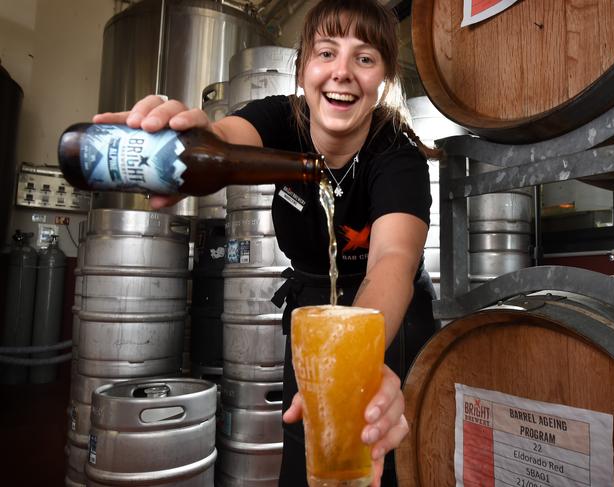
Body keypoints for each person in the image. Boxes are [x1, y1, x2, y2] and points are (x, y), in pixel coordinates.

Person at [93, 0, 441, 485]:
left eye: (364, 58)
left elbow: (393, 261)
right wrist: (190, 141)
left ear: (383, 78)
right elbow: (224, 140)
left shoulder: (396, 153)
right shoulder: (282, 118)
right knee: (307, 446)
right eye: (326, 53)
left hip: (387, 315)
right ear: (302, 69)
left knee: (383, 454)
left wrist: (356, 362)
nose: (342, 72)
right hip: (313, 311)